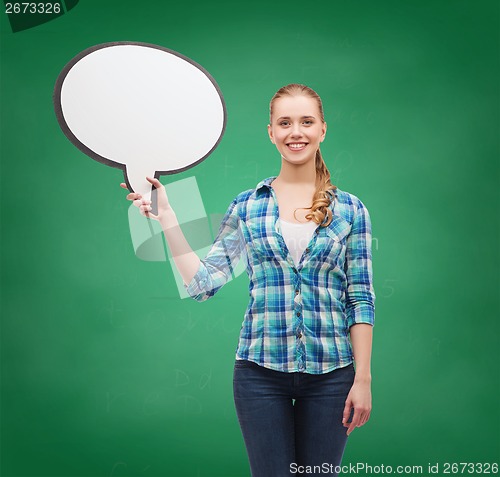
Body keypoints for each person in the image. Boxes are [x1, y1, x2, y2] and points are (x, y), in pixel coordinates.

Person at [120, 83, 375, 477]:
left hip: (332, 377)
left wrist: (363, 378)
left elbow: (360, 298)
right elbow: (203, 285)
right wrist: (167, 217)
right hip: (259, 376)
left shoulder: (352, 210)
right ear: (271, 132)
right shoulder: (247, 205)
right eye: (285, 122)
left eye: (306, 122)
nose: (296, 132)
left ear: (322, 129)